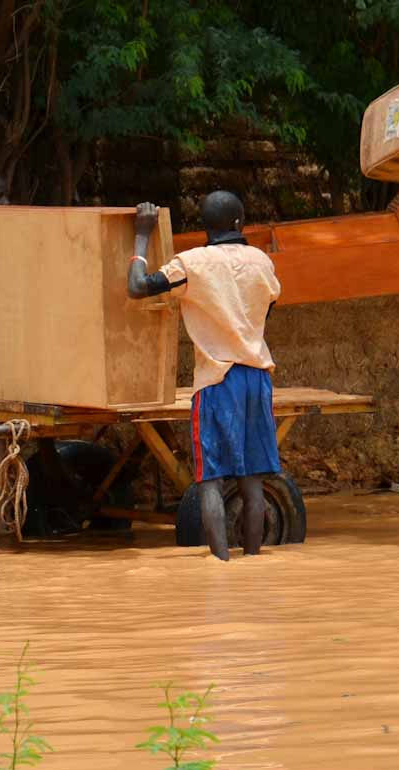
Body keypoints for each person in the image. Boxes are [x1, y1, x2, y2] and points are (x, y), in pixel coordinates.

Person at [126, 191, 282, 561]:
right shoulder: (262, 261)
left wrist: (141, 236)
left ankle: (220, 568)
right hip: (257, 377)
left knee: (210, 479)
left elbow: (137, 287)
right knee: (253, 478)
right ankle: (254, 564)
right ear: (239, 223)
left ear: (205, 227)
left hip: (216, 381)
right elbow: (267, 309)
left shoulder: (191, 264)